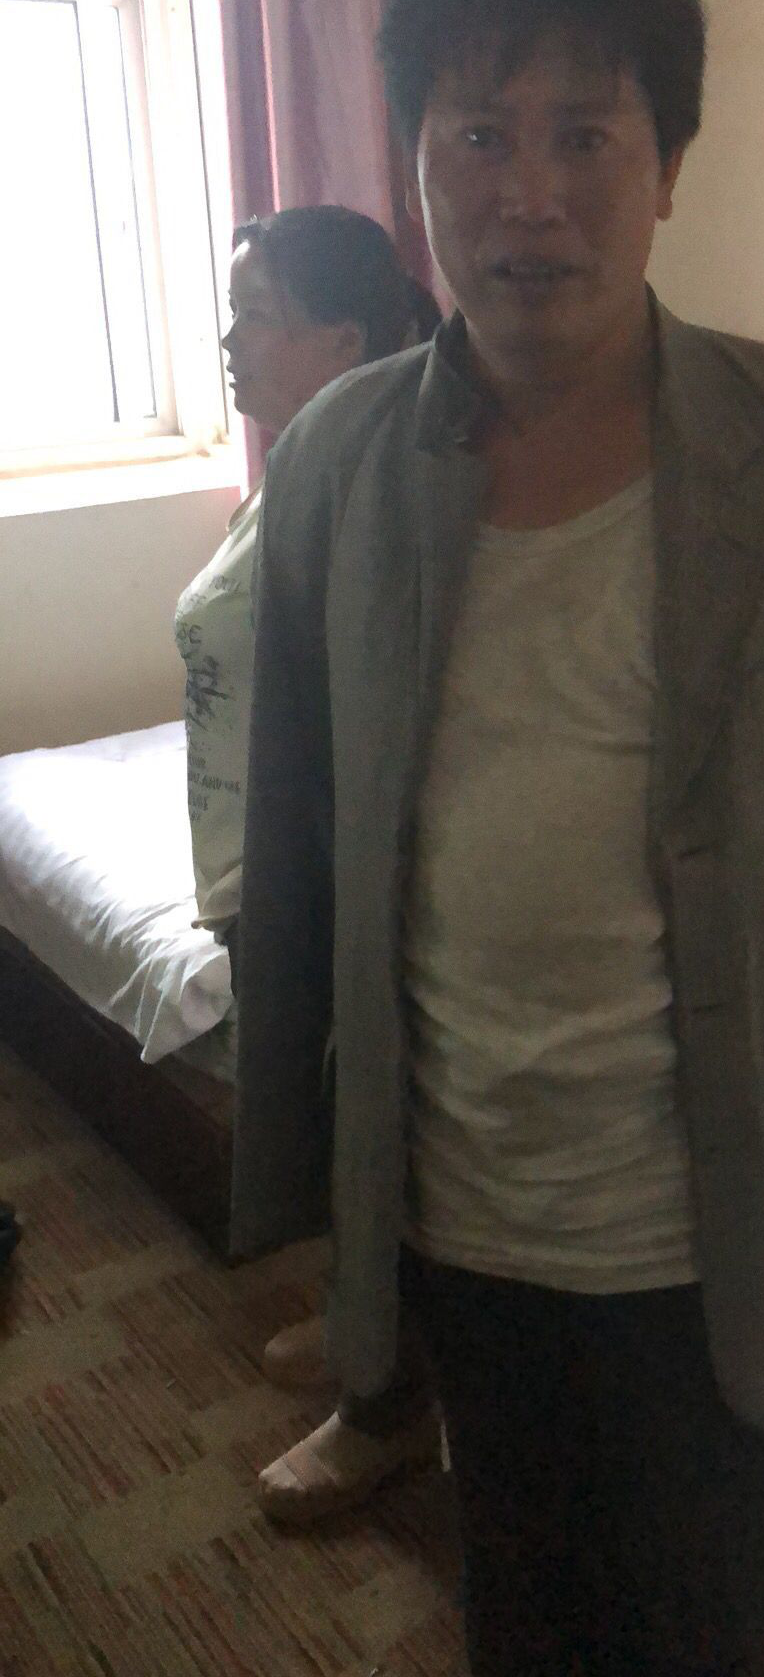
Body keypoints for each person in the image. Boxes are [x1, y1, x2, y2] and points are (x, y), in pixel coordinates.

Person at [231, 0, 764, 1674]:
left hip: (736, 1234)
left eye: (586, 135)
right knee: (536, 1615)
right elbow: (297, 838)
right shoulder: (336, 468)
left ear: (670, 169)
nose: (531, 195)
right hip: (466, 1222)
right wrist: (305, 1188)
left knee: (758, 1633)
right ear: (416, 167)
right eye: (479, 137)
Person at [175, 205, 441, 1524]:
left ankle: (387, 1405)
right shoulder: (292, 470)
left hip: (321, 867)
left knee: (375, 1126)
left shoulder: (370, 485)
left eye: (255, 315)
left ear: (340, 339)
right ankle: (360, 1325)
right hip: (262, 858)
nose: (231, 340)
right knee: (336, 1124)